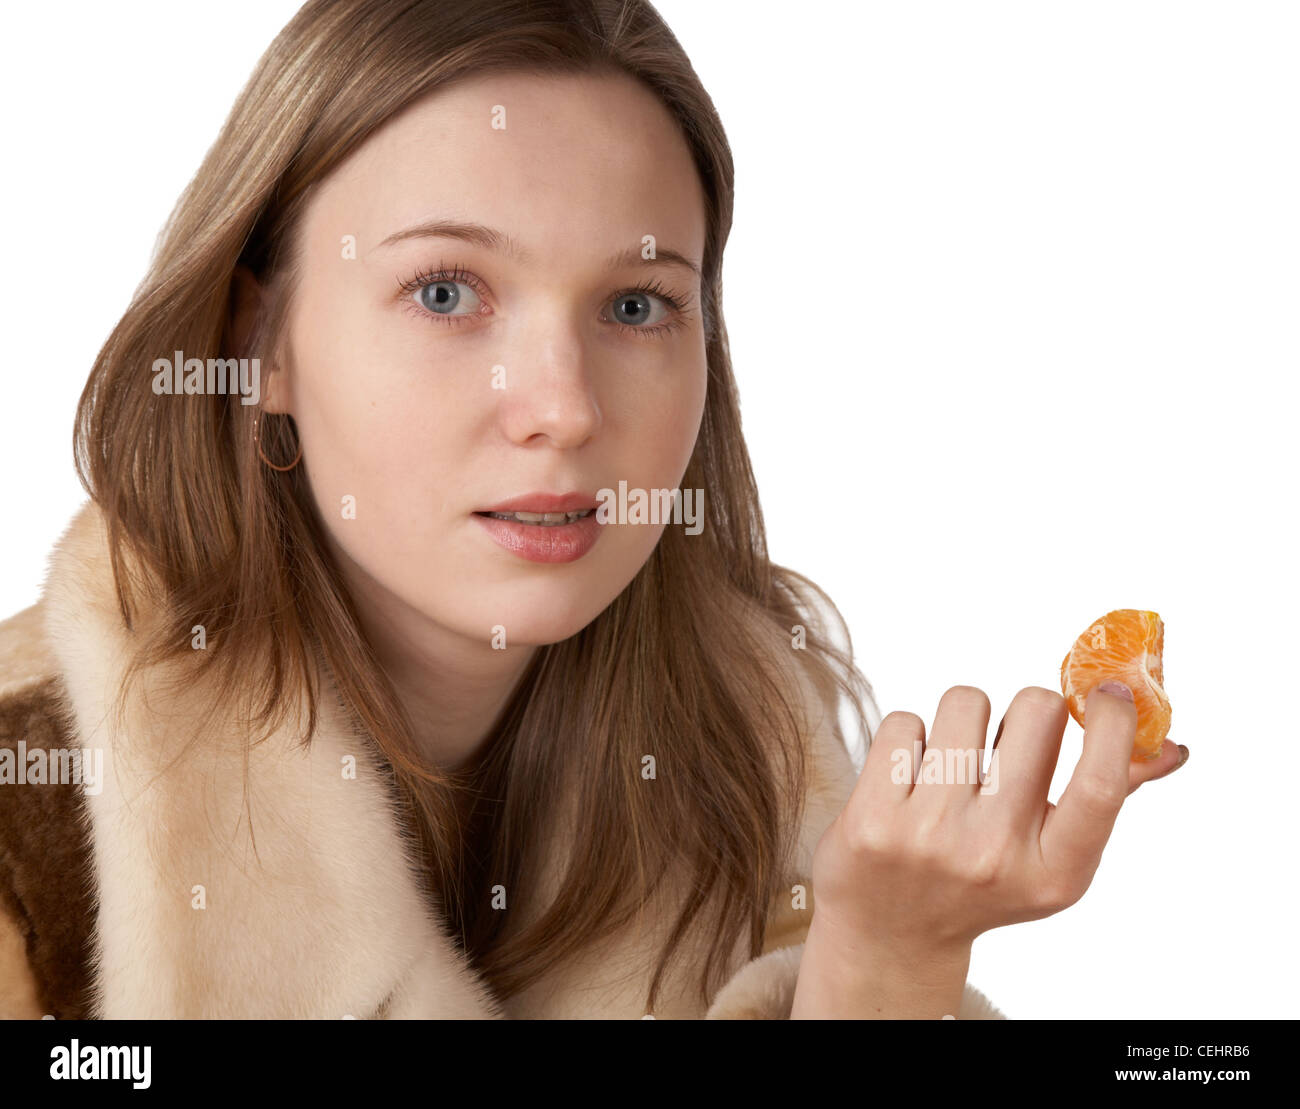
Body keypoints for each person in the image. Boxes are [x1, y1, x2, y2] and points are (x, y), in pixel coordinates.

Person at [0, 0, 1185, 1020]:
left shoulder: (757, 755)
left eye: (635, 305)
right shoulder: (27, 815)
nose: (562, 410)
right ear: (251, 340)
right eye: (447, 290)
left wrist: (885, 963)